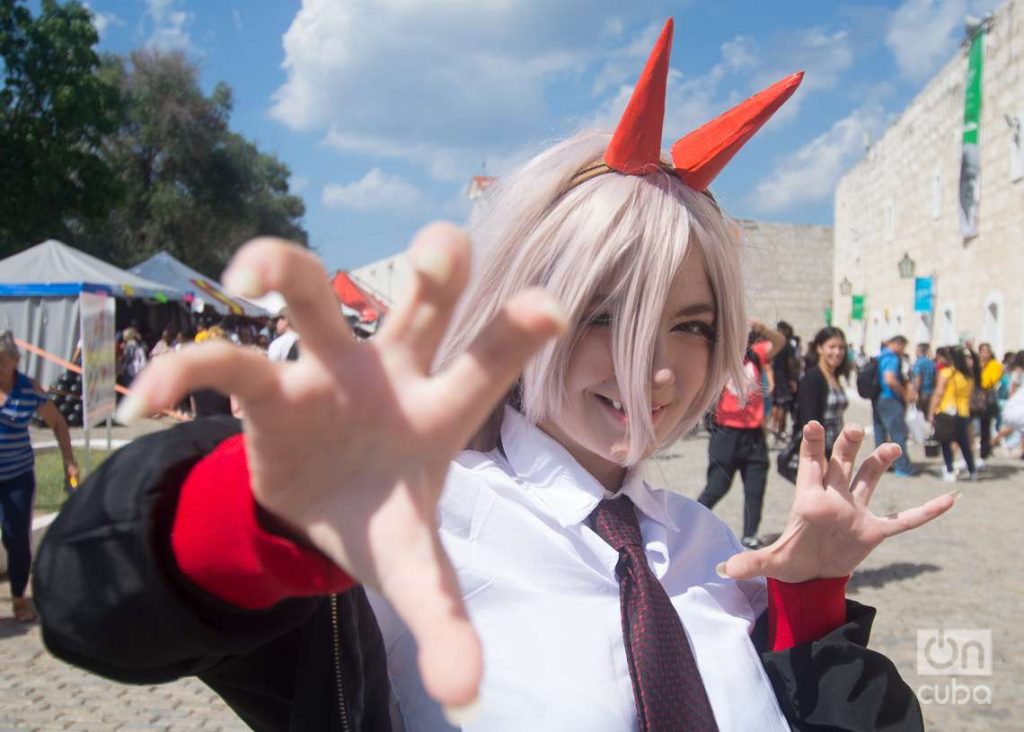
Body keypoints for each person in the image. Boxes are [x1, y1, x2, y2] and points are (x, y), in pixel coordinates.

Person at [34, 20, 955, 731]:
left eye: (691, 324)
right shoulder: (407, 540)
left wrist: (810, 603)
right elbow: (96, 613)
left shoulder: (712, 549)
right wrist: (265, 514)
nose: (652, 364)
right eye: (602, 313)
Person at [0, 332, 79, 622]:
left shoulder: (28, 389)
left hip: (17, 475)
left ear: (16, 361)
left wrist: (68, 462)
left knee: (16, 537)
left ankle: (20, 598)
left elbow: (58, 423)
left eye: (2, 362)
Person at [696, 322, 784, 548]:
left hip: (754, 435)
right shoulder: (719, 358)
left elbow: (779, 342)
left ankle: (750, 536)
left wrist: (762, 327)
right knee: (716, 487)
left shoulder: (755, 355)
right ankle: (691, 525)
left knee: (755, 489)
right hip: (726, 432)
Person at [795, 327, 851, 459]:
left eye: (841, 348)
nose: (837, 352)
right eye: (832, 347)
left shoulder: (834, 376)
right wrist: (821, 459)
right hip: (818, 451)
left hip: (834, 447)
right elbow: (809, 419)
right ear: (820, 348)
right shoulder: (813, 378)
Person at [928, 347, 977, 482]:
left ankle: (949, 470)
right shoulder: (968, 376)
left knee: (946, 442)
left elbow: (938, 393)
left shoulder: (946, 373)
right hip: (963, 412)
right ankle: (972, 470)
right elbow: (970, 396)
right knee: (964, 443)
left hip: (946, 411)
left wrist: (931, 412)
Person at [872, 335, 916, 477]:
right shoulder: (892, 358)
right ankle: (902, 466)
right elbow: (890, 379)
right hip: (890, 398)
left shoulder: (881, 356)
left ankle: (881, 463)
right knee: (898, 433)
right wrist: (904, 393)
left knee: (880, 432)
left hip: (879, 398)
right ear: (899, 344)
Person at [768, 321, 799, 442]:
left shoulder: (773, 344)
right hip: (783, 377)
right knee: (782, 404)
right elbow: (791, 364)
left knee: (775, 403)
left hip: (772, 375)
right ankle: (778, 429)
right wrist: (793, 379)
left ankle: (774, 426)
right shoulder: (787, 345)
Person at [975, 342, 1002, 465]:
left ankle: (983, 454)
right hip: (973, 400)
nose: (984, 354)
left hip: (987, 401)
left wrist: (981, 369)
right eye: (982, 351)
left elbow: (988, 382)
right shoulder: (976, 365)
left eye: (987, 351)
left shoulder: (995, 365)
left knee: (985, 428)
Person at [911, 343, 936, 416]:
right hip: (931, 392)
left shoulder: (918, 363)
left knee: (919, 416)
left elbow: (918, 378)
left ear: (919, 350)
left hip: (922, 392)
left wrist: (915, 392)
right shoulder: (931, 363)